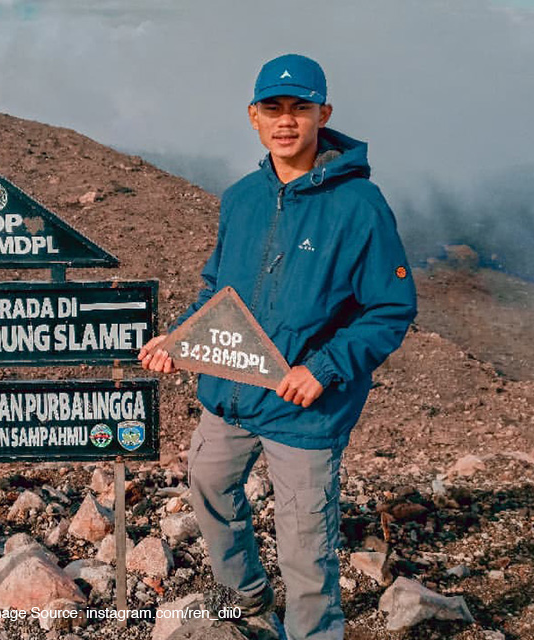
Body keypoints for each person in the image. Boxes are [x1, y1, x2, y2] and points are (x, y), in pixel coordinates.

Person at [139, 53, 417, 640]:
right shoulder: (242, 197)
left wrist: (324, 368)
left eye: (300, 108)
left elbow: (390, 309)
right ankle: (246, 597)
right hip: (232, 390)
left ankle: (315, 632)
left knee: (305, 543)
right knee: (209, 485)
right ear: (253, 117)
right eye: (274, 108)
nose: (286, 120)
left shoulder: (360, 207)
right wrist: (182, 336)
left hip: (304, 408)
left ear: (324, 114)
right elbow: (220, 290)